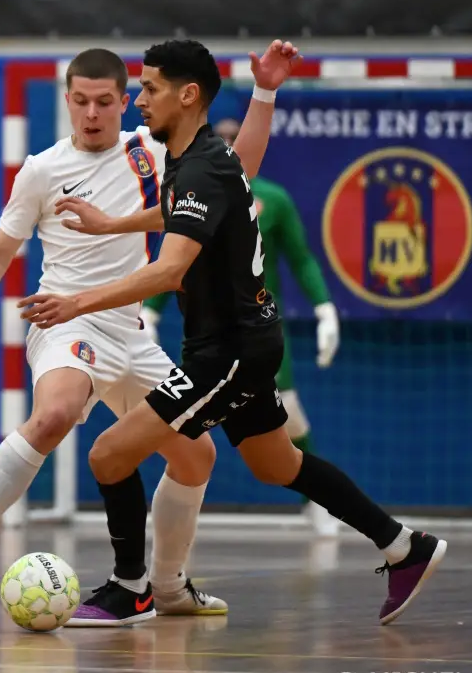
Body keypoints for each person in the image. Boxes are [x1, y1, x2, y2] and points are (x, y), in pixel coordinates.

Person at [18, 39, 445, 626]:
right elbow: (208, 190)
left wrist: (75, 303)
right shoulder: (203, 158)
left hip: (228, 353)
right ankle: (403, 546)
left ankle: (131, 589)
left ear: (187, 95)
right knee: (276, 464)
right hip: (241, 343)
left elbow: (168, 270)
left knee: (109, 454)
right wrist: (265, 92)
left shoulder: (197, 166)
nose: (139, 100)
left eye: (150, 89)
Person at [0, 41, 299, 626]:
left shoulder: (151, 150)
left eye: (104, 102)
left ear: (126, 101)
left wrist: (264, 92)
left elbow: (235, 174)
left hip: (130, 331)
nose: (91, 113)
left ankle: (167, 588)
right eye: (80, 101)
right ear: (67, 101)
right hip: (67, 321)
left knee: (197, 456)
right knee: (55, 414)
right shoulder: (42, 170)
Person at [142, 116, 342, 535]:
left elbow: (301, 258)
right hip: (206, 331)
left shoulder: (274, 199)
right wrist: (151, 310)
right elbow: (172, 257)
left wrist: (325, 308)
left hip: (256, 328)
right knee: (172, 419)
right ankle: (166, 507)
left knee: (289, 418)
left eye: (236, 139)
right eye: (222, 139)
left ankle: (319, 501)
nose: (229, 146)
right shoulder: (193, 192)